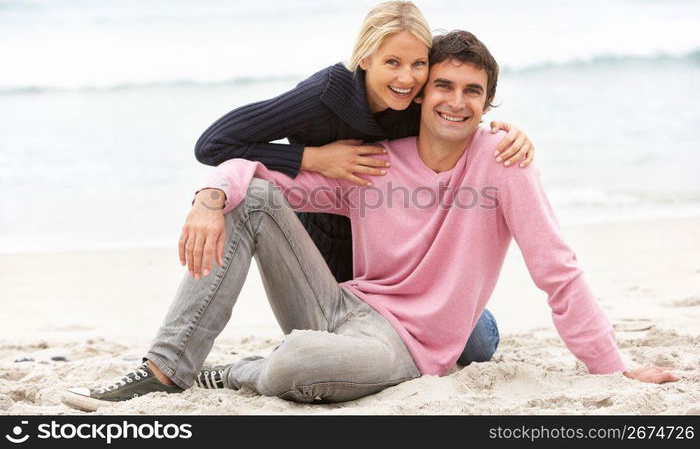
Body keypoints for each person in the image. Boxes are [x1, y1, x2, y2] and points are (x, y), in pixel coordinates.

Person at [62, 30, 678, 412]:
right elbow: (261, 176)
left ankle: (238, 370)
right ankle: (167, 369)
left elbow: (556, 270)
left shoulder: (503, 162)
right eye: (442, 85)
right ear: (421, 92)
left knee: (299, 365)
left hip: (411, 344)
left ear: (489, 104)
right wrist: (207, 197)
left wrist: (612, 369)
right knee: (245, 198)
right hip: (341, 308)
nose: (454, 101)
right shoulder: (378, 161)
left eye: (472, 91)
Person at [193, 0, 535, 367]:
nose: (406, 78)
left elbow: (458, 117)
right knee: (334, 345)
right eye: (393, 62)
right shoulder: (323, 96)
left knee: (478, 347)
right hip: (325, 256)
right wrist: (313, 158)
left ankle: (467, 314)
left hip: (406, 272)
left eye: (418, 64)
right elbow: (214, 144)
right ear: (366, 58)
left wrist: (506, 135)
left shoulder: (415, 102)